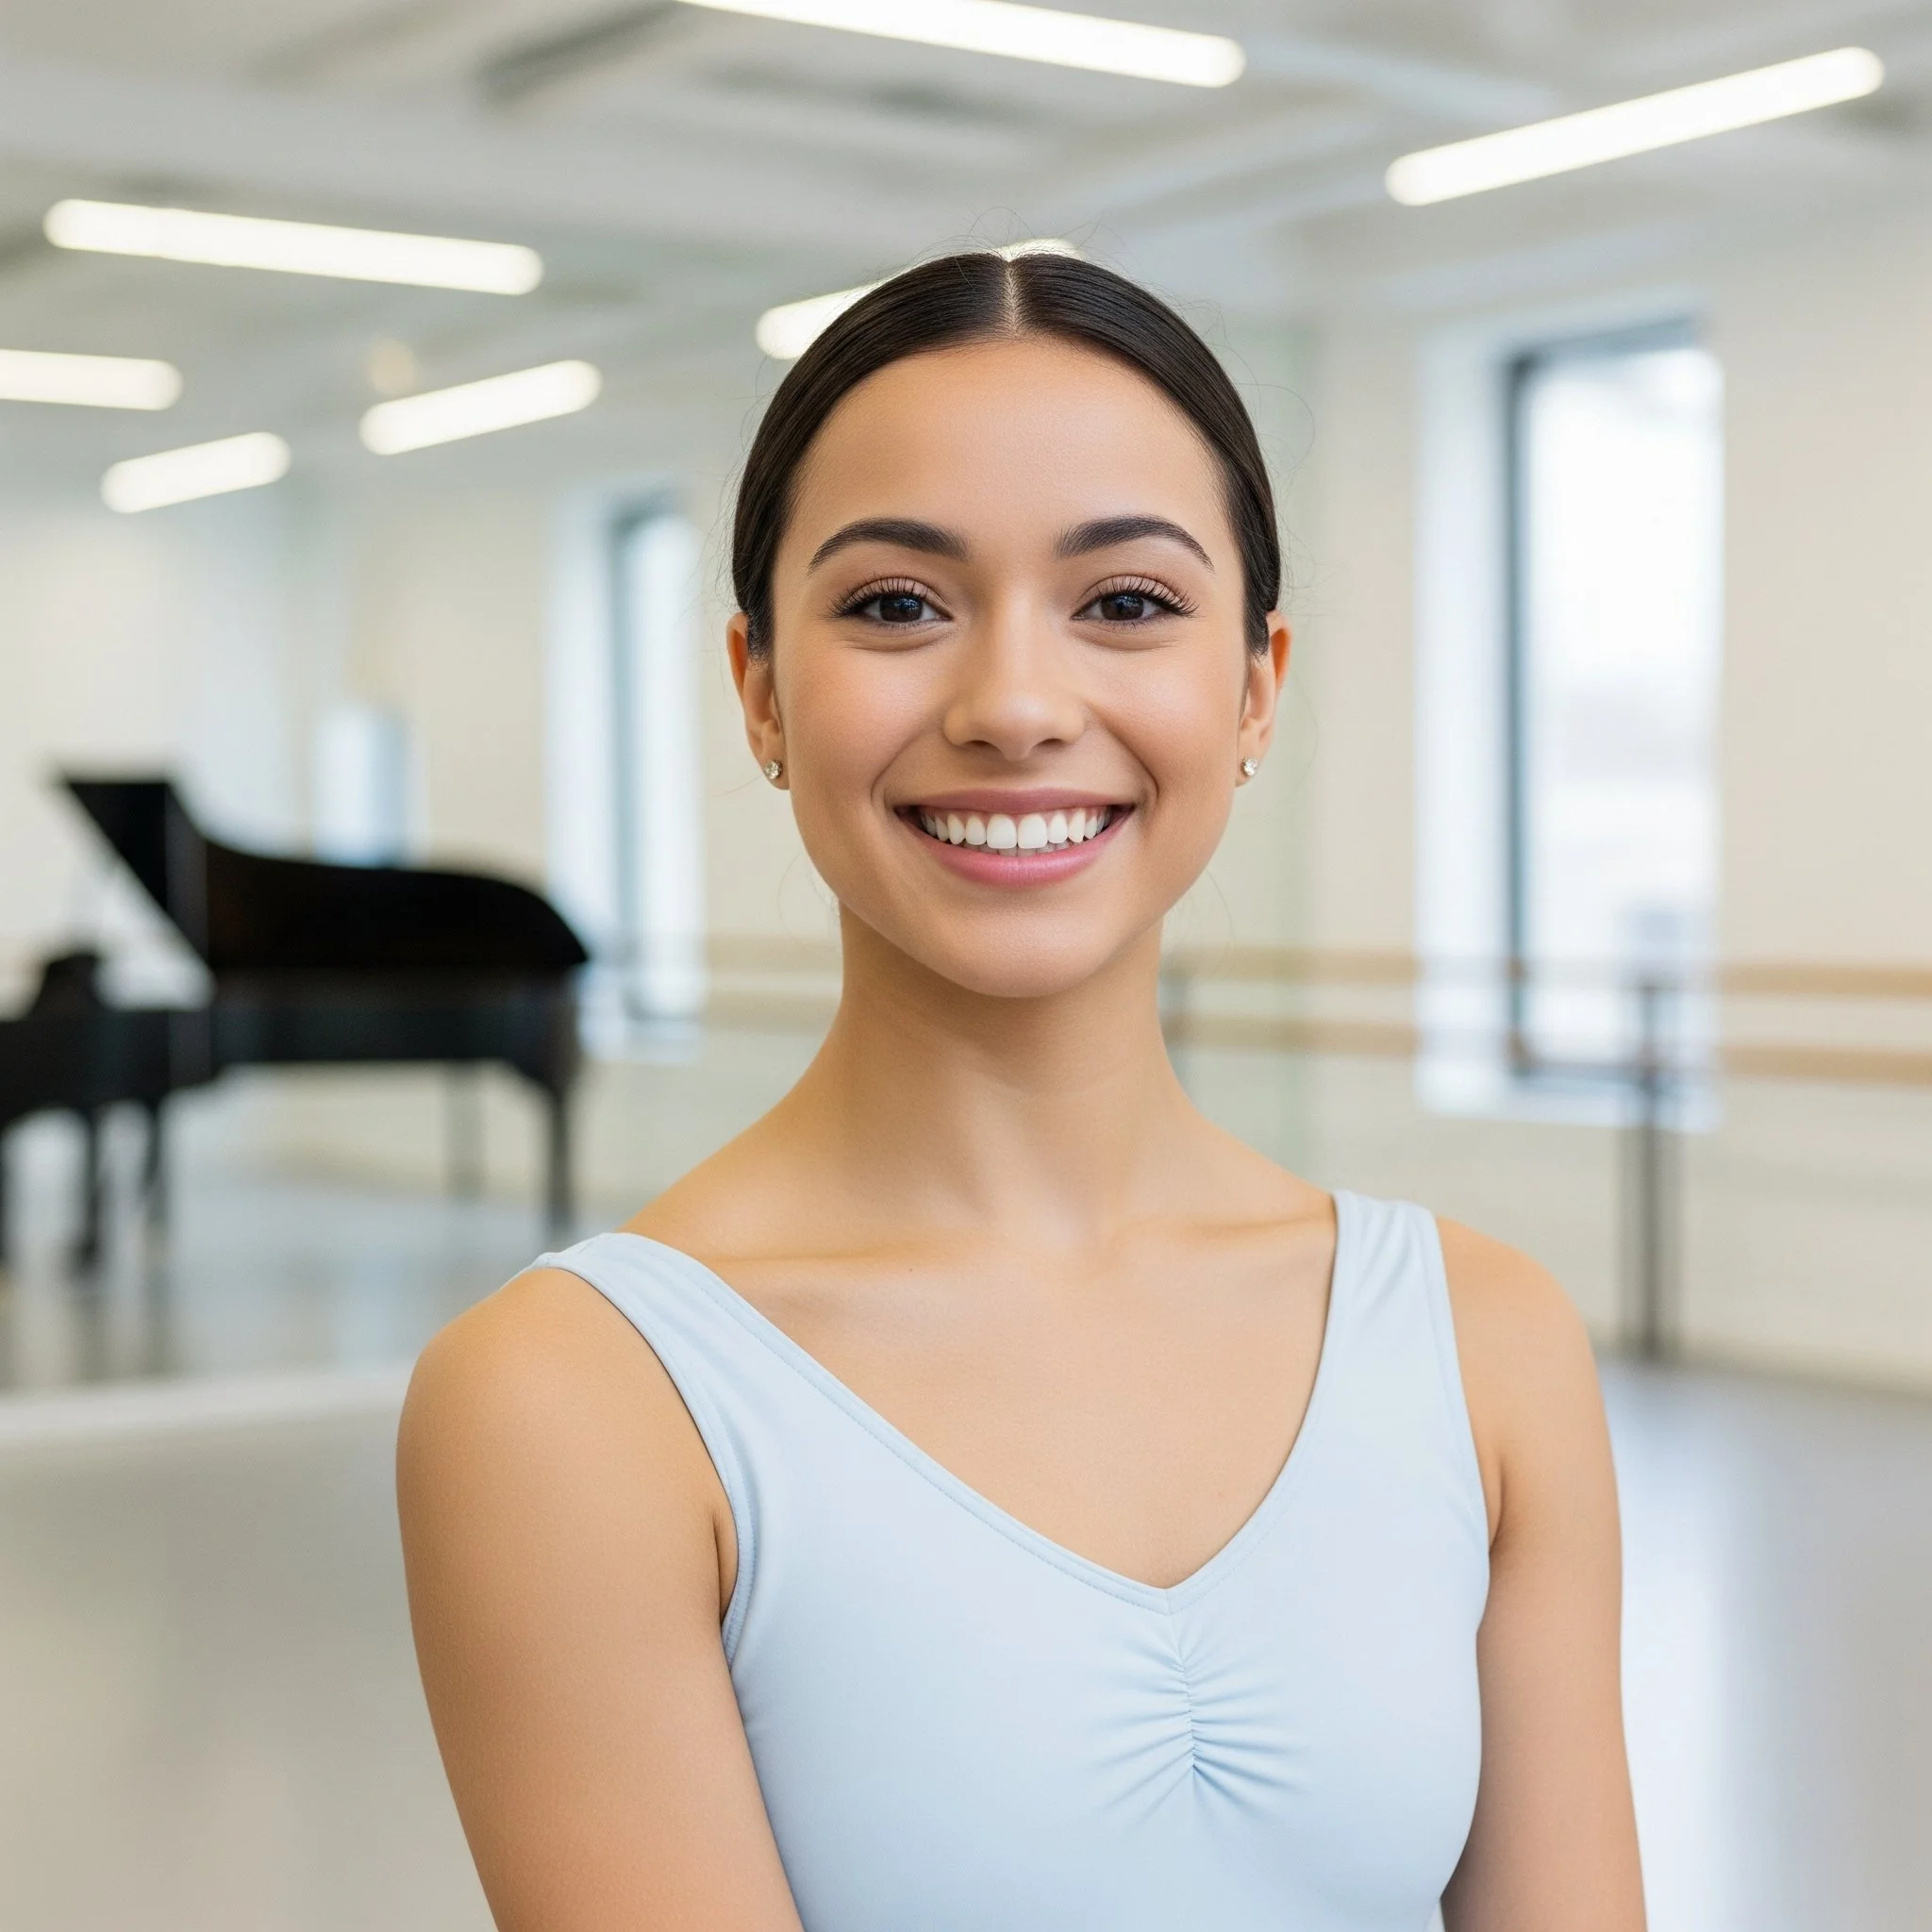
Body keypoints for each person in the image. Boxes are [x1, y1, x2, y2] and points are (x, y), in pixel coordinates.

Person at [397, 250, 1644, 1932]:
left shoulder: (1486, 1341)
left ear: (1256, 682)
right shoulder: (572, 1402)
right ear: (761, 687)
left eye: (1126, 601)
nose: (1015, 707)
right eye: (898, 605)